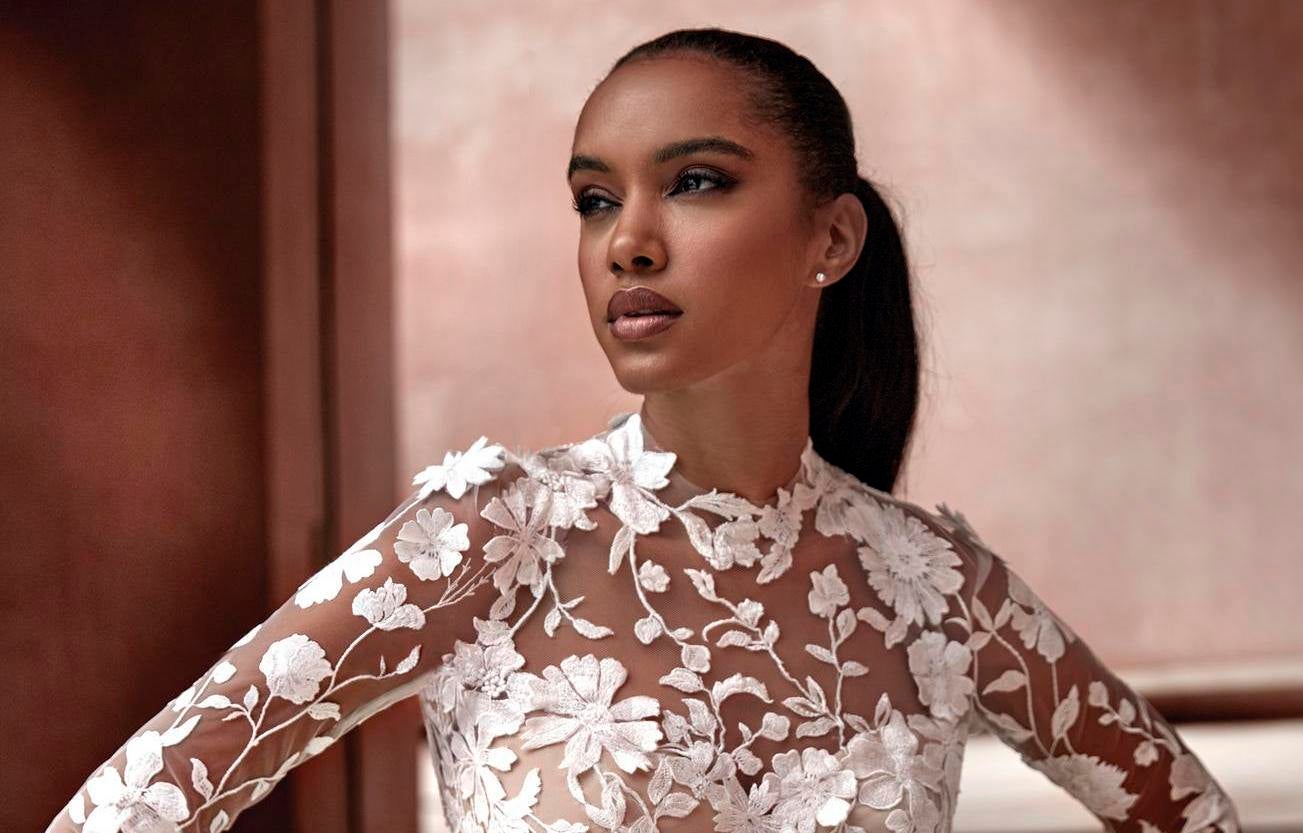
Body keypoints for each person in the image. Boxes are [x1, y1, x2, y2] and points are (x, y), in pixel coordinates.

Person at [45, 26, 1239, 833]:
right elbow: (128, 807)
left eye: (699, 180)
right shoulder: (490, 537)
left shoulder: (930, 584)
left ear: (831, 240)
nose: (629, 239)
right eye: (595, 199)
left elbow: (1187, 810)